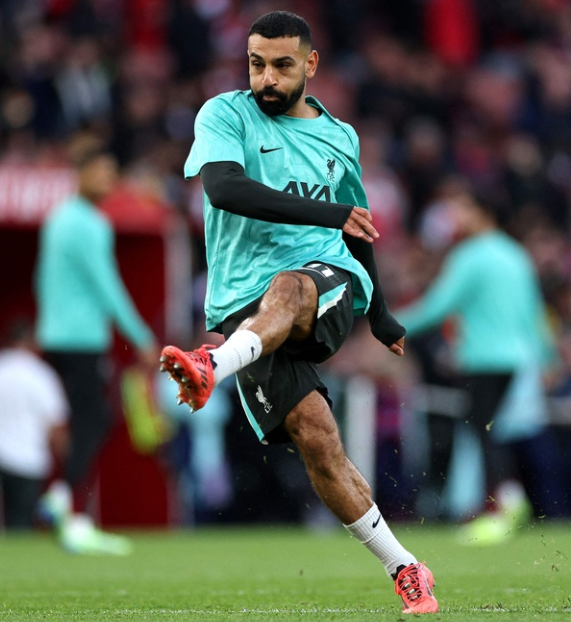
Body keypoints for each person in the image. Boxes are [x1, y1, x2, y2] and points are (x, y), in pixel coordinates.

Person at [159, 12, 438, 614]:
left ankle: (212, 364)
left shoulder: (340, 138)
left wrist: (381, 312)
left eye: (282, 65)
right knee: (318, 440)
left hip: (324, 284)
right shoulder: (224, 114)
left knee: (290, 284)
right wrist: (327, 215)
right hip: (243, 306)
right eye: (257, 63)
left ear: (310, 65)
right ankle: (406, 566)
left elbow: (357, 229)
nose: (267, 77)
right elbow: (223, 189)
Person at [394, 181, 558, 543]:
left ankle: (502, 508)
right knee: (487, 429)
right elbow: (534, 314)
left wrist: (387, 324)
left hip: (482, 357)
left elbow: (437, 306)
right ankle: (508, 502)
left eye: (462, 207)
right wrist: (549, 358)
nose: (456, 216)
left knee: (481, 430)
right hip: (516, 358)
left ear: (481, 212)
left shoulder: (470, 256)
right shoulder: (516, 255)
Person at [34, 133, 158, 555]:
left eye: (112, 172)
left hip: (55, 337)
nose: (108, 179)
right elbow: (108, 286)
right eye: (101, 171)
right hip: (83, 339)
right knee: (94, 421)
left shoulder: (56, 219)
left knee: (88, 421)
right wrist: (141, 337)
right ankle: (68, 510)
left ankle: (67, 505)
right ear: (80, 173)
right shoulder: (91, 224)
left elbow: (40, 279)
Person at [0, 321, 69, 530]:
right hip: (29, 459)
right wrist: (67, 461)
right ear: (31, 341)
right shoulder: (41, 374)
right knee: (22, 521)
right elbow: (56, 424)